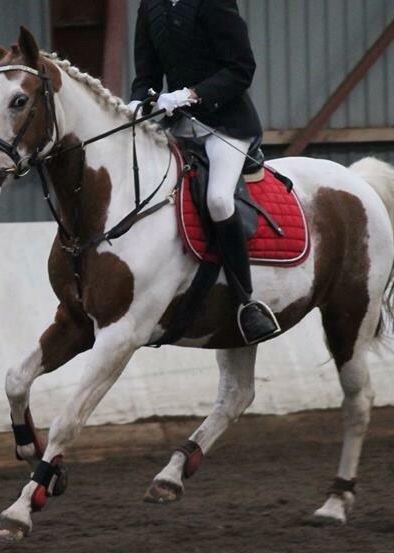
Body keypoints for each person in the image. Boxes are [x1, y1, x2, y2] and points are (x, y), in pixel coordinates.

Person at [128, 0, 280, 344]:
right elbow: (147, 73)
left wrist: (191, 94)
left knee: (218, 200)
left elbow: (241, 68)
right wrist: (139, 100)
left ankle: (246, 302)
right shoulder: (150, 5)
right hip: (178, 127)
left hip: (225, 126)